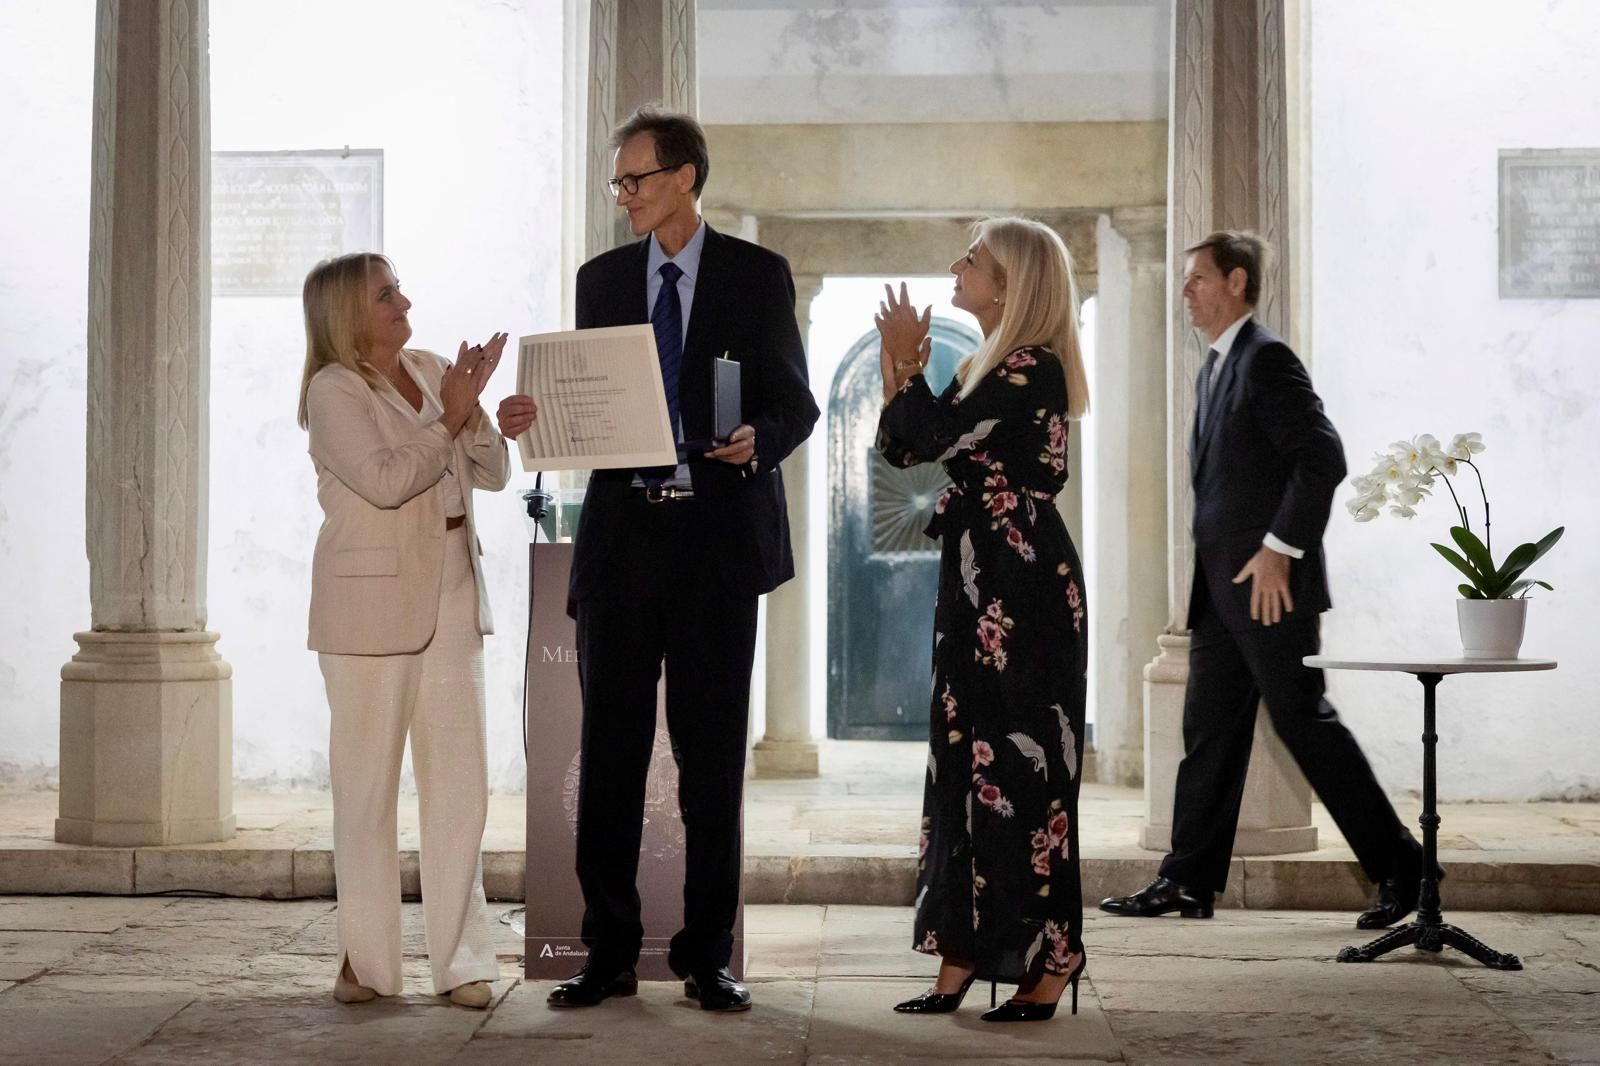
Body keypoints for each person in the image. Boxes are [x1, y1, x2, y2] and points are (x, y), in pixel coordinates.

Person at [496, 107, 819, 1012]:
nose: (624, 195)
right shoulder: (600, 280)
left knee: (712, 760)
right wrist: (535, 420)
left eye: (634, 179)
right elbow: (591, 407)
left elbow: (796, 403)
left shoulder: (758, 276)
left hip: (718, 545)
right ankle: (606, 952)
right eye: (618, 182)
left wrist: (757, 439)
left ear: (683, 176)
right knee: (610, 756)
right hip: (623, 544)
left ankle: (708, 954)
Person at [1098, 231, 1426, 929]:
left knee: (1303, 723)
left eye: (1197, 279)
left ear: (1237, 282)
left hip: (1269, 586)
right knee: (1209, 731)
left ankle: (1405, 870)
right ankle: (1186, 880)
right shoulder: (1216, 366)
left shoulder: (1266, 358)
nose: (1185, 291)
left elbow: (1323, 457)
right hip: (1220, 593)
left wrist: (1281, 548)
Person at [875, 217, 1090, 1023]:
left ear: (1010, 283)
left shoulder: (1034, 367)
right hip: (976, 581)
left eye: (972, 260)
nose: (956, 268)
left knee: (1024, 772)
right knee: (965, 761)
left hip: (1022, 588)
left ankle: (1053, 957)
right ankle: (963, 955)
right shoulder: (982, 364)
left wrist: (908, 364)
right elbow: (901, 451)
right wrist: (906, 365)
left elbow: (927, 432)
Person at [298, 252, 511, 1009]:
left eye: (398, 288)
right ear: (347, 314)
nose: (404, 300)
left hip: (454, 585)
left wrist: (481, 413)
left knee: (460, 785)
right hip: (369, 608)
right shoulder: (333, 390)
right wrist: (449, 415)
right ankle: (368, 963)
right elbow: (387, 480)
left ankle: (463, 962)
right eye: (386, 294)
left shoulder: (424, 365)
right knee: (367, 790)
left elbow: (490, 472)